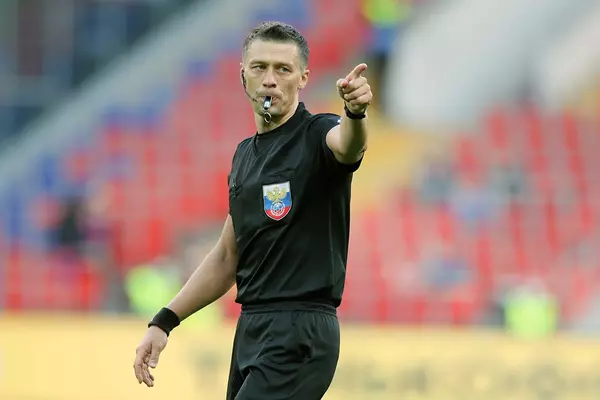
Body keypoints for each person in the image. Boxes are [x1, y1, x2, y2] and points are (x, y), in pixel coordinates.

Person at [132, 21, 372, 399]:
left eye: (283, 69)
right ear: (243, 75)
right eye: (260, 67)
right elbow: (228, 255)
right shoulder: (245, 156)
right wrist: (164, 320)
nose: (270, 79)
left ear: (303, 78)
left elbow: (349, 145)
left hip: (300, 330)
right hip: (252, 329)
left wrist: (356, 113)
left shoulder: (318, 134)